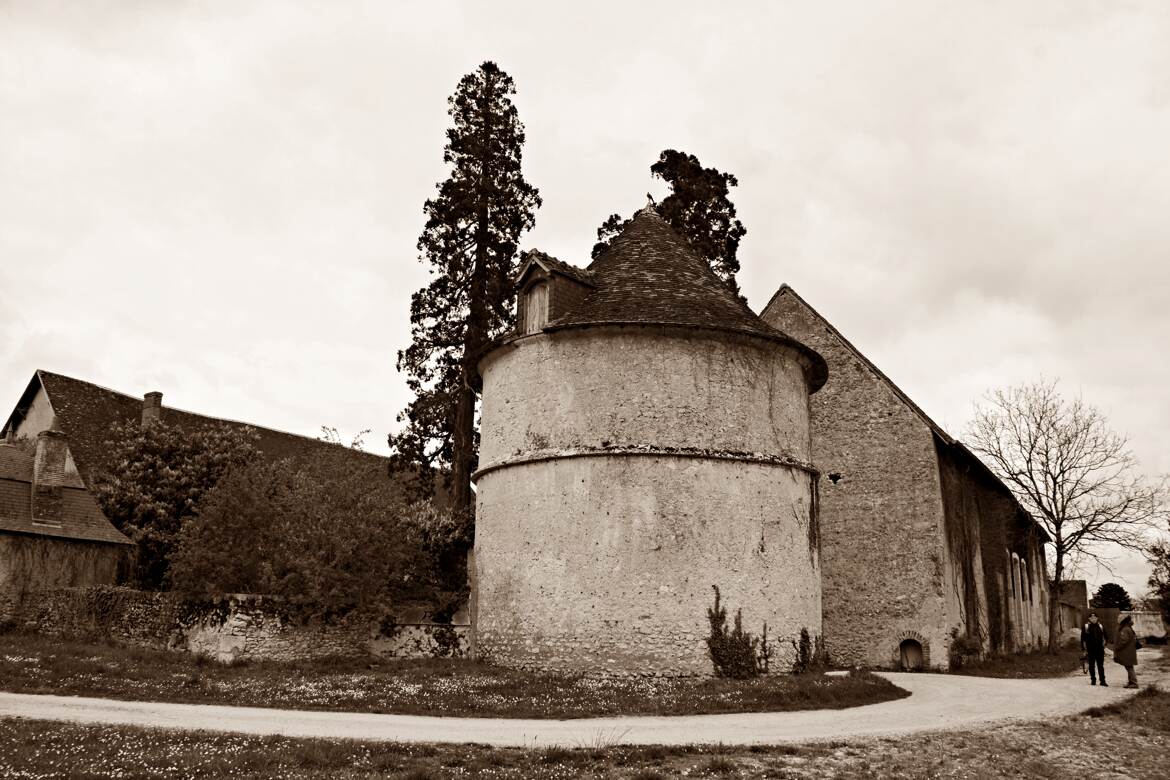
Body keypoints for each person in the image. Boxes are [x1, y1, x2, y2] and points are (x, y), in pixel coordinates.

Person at [1080, 612, 1107, 686]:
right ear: (1089, 619)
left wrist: (1104, 645)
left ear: (1097, 618)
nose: (1093, 619)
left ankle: (1102, 681)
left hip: (1099, 650)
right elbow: (1083, 639)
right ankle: (1093, 680)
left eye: (1095, 618)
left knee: (1100, 666)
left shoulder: (1101, 626)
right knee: (1091, 665)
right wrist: (1084, 650)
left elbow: (1105, 637)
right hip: (1090, 650)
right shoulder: (1085, 627)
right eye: (1091, 618)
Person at [1114, 615, 1139, 689]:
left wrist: (1117, 647)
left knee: (1129, 667)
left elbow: (1124, 641)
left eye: (1118, 618)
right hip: (1129, 651)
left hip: (1126, 652)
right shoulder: (1128, 627)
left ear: (1122, 620)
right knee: (1129, 666)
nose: (1117, 620)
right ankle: (1131, 682)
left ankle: (1134, 683)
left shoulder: (1125, 629)